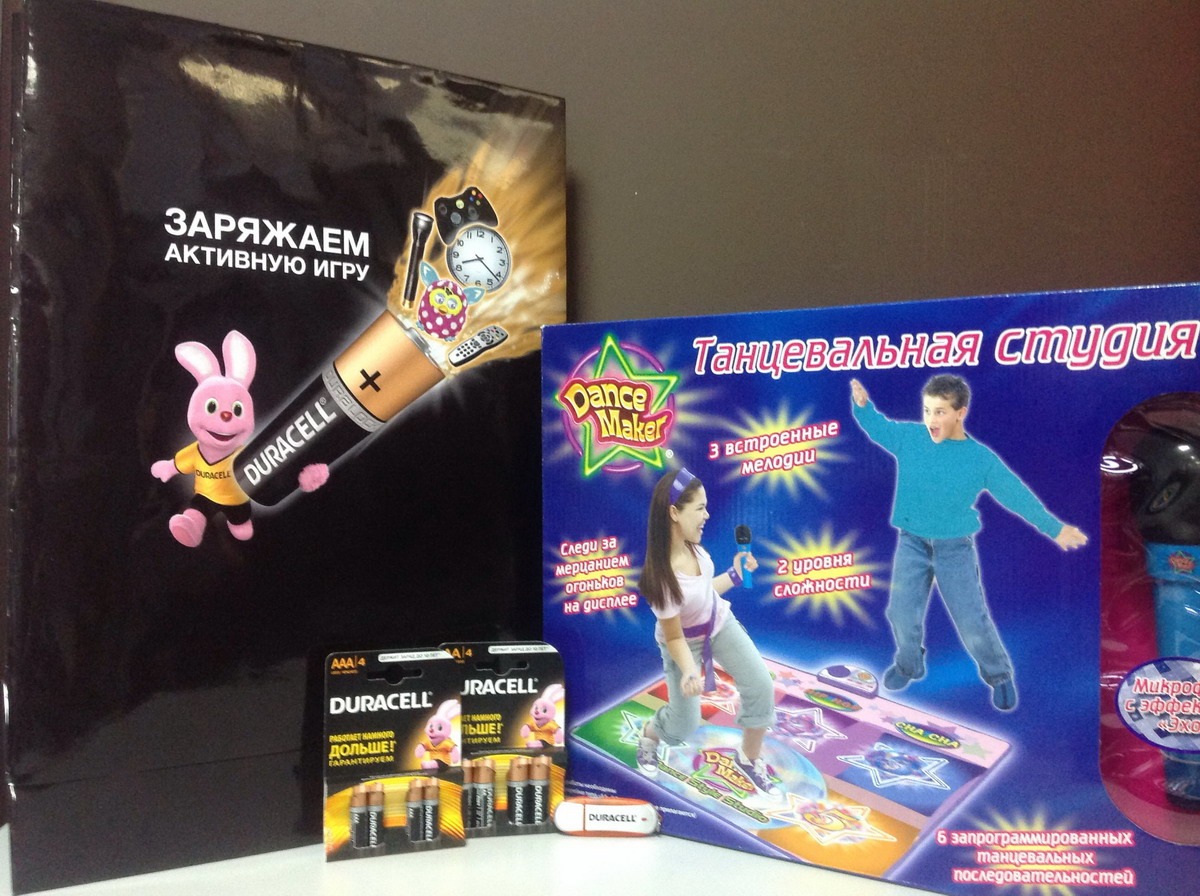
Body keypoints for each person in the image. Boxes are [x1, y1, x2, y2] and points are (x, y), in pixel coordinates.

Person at [850, 375, 1087, 711]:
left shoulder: (980, 458)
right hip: (911, 543)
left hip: (954, 549)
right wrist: (864, 407)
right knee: (900, 612)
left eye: (940, 412)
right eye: (927, 410)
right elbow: (879, 428)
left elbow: (1014, 494)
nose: (931, 420)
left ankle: (999, 674)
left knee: (972, 621)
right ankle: (909, 665)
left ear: (960, 413)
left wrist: (1054, 528)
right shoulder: (910, 438)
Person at [636, 467, 779, 796]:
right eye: (700, 508)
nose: (707, 515)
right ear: (674, 513)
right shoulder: (662, 578)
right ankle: (650, 733)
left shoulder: (695, 548)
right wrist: (689, 670)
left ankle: (749, 757)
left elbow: (703, 593)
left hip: (719, 624)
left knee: (761, 685)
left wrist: (735, 574)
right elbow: (674, 636)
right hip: (683, 644)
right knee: (683, 725)